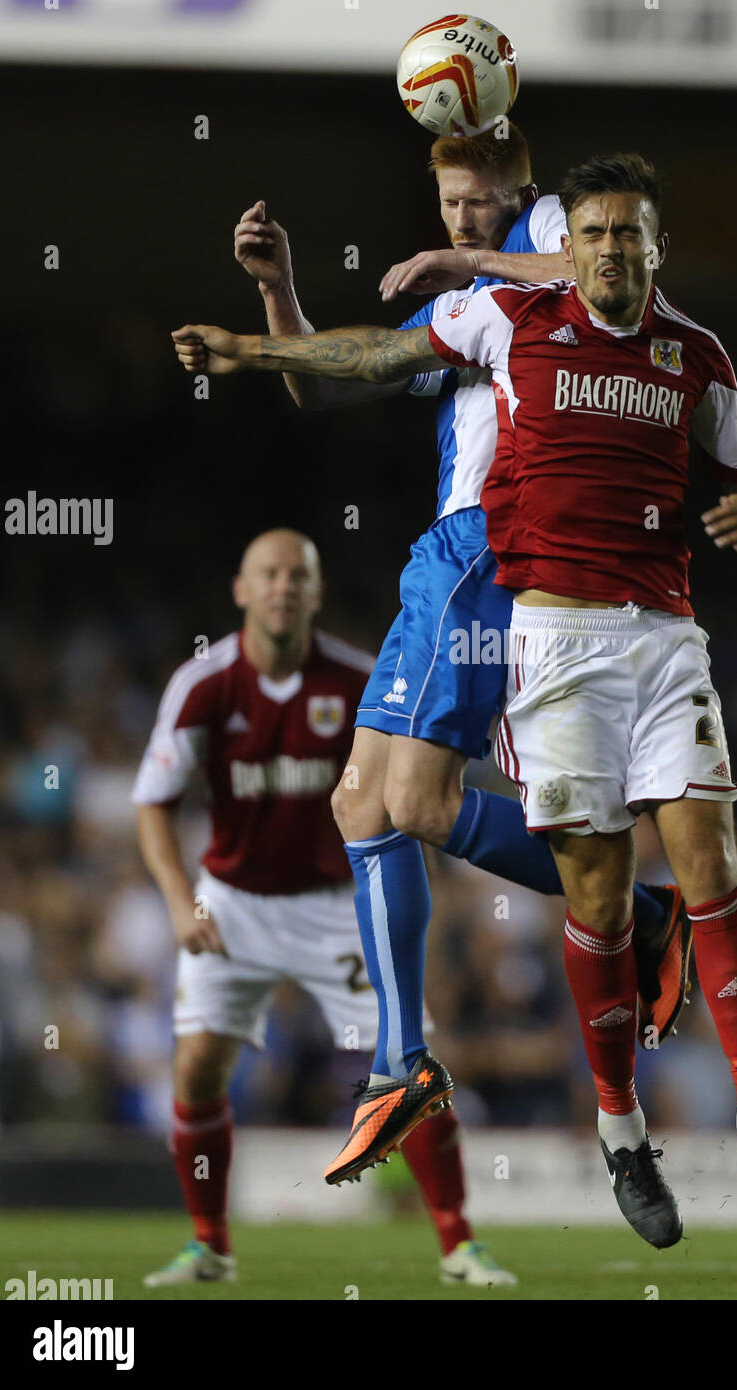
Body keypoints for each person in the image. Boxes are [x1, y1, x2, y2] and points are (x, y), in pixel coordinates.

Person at [171, 151, 737, 1249]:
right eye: (448, 205)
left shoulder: (679, 346)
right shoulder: (501, 319)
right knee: (396, 813)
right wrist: (257, 334)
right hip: (538, 617)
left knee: (664, 849)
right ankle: (552, 1096)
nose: (604, 249)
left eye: (623, 235)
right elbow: (354, 364)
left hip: (594, 605)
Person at [216, 125, 689, 1187]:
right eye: (450, 210)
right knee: (361, 805)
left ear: (517, 195)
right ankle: (401, 1059)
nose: (464, 222)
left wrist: (472, 255)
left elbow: (601, 270)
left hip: (493, 538)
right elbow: (330, 382)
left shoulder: (539, 245)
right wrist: (277, 299)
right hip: (447, 553)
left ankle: (632, 917)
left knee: (419, 803)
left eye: (480, 204)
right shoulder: (470, 303)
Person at [133, 528, 515, 1287]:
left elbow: (405, 799)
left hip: (339, 906)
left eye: (297, 576)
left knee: (411, 1066)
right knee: (197, 1070)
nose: (283, 587)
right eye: (268, 574)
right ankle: (209, 1244)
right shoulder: (203, 685)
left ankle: (458, 1244)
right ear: (241, 591)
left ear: (316, 593)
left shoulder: (356, 681)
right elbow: (153, 805)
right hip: (234, 905)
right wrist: (180, 903)